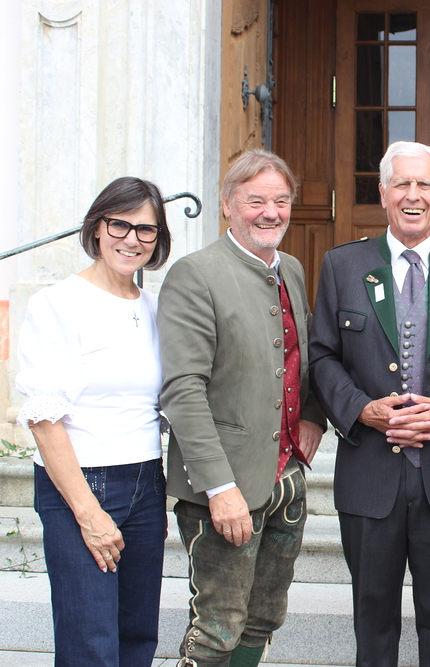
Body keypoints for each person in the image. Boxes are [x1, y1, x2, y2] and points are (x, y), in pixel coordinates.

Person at [309, 141, 430, 666]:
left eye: (424, 185)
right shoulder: (342, 265)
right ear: (383, 192)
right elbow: (322, 356)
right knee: (372, 624)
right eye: (402, 184)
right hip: (370, 475)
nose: (413, 196)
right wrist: (362, 410)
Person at [158, 150, 326, 667]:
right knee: (218, 628)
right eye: (255, 201)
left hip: (286, 478)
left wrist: (312, 415)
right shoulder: (195, 274)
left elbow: (304, 352)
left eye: (281, 200)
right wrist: (219, 488)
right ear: (228, 205)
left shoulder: (291, 268)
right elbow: (183, 389)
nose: (270, 212)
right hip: (225, 487)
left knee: (264, 617)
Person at [15, 177, 172, 666]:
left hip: (146, 481)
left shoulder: (155, 308)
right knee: (90, 646)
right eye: (120, 225)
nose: (132, 239)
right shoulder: (58, 303)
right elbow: (45, 422)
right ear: (97, 227)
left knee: (137, 638)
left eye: (146, 229)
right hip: (81, 483)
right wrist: (88, 512)